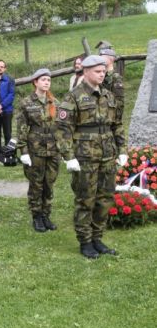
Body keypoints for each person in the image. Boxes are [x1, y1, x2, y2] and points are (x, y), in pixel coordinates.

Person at [56, 55, 127, 259]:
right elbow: (62, 130)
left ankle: (97, 238)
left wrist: (122, 149)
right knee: (85, 199)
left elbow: (117, 125)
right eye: (97, 71)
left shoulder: (108, 96)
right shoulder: (73, 97)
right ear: (86, 71)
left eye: (103, 71)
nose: (102, 74)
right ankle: (85, 241)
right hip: (84, 157)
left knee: (105, 198)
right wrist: (69, 156)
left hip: (107, 155)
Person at [17, 68, 60, 232]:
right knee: (36, 184)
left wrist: (63, 149)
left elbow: (60, 127)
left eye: (48, 80)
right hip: (35, 150)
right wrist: (24, 151)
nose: (46, 82)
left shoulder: (54, 102)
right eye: (43, 80)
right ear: (35, 82)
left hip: (53, 150)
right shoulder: (26, 103)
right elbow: (22, 128)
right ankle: (36, 216)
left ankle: (46, 215)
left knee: (49, 183)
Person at [99, 47, 125, 121]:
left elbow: (119, 102)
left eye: (102, 57)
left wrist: (116, 119)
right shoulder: (101, 75)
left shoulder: (116, 78)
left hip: (110, 117)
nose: (100, 59)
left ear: (110, 59)